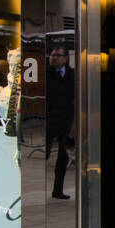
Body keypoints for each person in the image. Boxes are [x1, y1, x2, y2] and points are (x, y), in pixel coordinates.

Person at [46, 45, 75, 199]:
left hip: (65, 120)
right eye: (52, 55)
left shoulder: (72, 74)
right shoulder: (46, 73)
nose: (54, 58)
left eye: (57, 55)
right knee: (47, 151)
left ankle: (58, 190)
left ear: (65, 58)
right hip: (50, 120)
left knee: (63, 157)